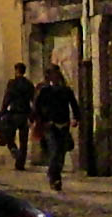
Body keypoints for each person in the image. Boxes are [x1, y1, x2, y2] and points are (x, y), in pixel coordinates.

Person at [33, 64, 81, 192]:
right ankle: (54, 177)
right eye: (52, 74)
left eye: (56, 74)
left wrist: (76, 118)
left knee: (61, 153)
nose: (55, 76)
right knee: (54, 151)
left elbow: (74, 105)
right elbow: (36, 107)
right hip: (50, 125)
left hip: (63, 124)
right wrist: (41, 121)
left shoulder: (65, 90)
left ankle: (55, 174)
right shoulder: (44, 90)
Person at [0, 62, 37, 170]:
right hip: (25, 113)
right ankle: (20, 163)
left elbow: (7, 97)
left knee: (9, 136)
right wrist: (33, 115)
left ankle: (14, 149)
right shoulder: (29, 84)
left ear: (16, 71)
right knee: (23, 140)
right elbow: (33, 100)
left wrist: (3, 110)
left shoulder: (12, 83)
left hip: (14, 113)